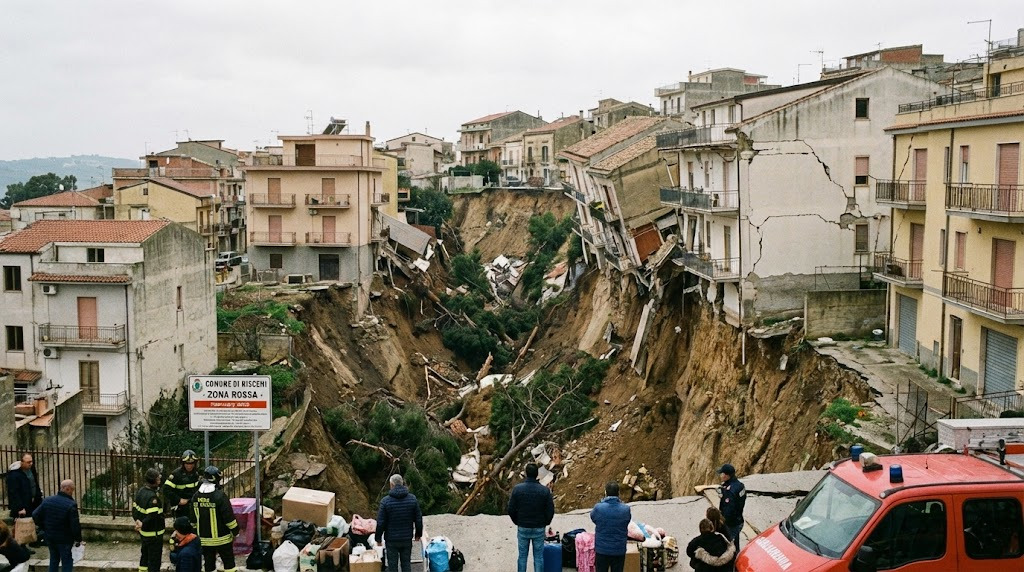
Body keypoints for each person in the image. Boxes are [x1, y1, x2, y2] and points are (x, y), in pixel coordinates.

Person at [507, 463, 554, 572]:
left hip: (523, 526)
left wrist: (517, 521)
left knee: (522, 557)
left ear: (526, 474)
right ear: (537, 474)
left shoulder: (517, 489)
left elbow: (510, 509)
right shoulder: (544, 491)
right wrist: (545, 522)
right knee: (539, 557)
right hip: (539, 527)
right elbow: (550, 510)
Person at [190, 466, 238, 572]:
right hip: (223, 539)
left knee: (209, 565)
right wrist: (235, 531)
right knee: (229, 564)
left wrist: (196, 533)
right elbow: (228, 518)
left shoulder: (195, 497)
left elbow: (193, 520)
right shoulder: (220, 496)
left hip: (204, 540)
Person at [374, 474, 423, 572]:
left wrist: (378, 538)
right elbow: (418, 519)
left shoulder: (385, 501)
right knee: (406, 564)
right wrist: (418, 534)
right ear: (402, 483)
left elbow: (381, 522)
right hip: (406, 538)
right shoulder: (412, 499)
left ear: (391, 485)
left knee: (392, 566)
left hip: (391, 540)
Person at [32, 480, 81, 572]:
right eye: (72, 490)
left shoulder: (47, 500)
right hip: (65, 538)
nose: (72, 492)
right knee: (67, 561)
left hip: (50, 536)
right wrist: (78, 539)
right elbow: (75, 525)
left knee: (54, 559)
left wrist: (43, 526)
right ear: (68, 489)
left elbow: (35, 514)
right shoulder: (71, 505)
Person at [590, 482, 631, 572]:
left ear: (606, 493)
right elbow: (627, 521)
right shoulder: (625, 509)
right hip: (619, 549)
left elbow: (593, 518)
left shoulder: (598, 508)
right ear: (618, 493)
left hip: (602, 549)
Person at [133, 468, 165, 572]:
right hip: (154, 535)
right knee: (154, 562)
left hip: (144, 534)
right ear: (154, 480)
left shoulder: (141, 491)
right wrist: (142, 524)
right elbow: (152, 516)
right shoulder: (152, 497)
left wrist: (137, 521)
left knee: (144, 558)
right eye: (158, 478)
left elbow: (135, 509)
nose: (159, 480)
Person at [717, 463, 746, 551]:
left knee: (729, 545)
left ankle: (734, 562)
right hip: (738, 519)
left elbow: (728, 510)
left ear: (726, 475)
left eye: (722, 473)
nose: (720, 475)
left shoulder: (729, 492)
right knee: (735, 543)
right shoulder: (740, 485)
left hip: (731, 524)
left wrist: (722, 522)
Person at [164, 450, 201, 518]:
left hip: (193, 506)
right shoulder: (176, 474)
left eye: (191, 463)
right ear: (183, 463)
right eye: (187, 463)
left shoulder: (196, 474)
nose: (189, 466)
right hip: (180, 507)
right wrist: (178, 500)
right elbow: (166, 489)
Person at [7, 454, 43, 520]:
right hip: (23, 504)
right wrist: (20, 508)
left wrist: (38, 494)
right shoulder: (14, 474)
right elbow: (14, 492)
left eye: (31, 461)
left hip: (34, 501)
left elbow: (35, 482)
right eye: (28, 462)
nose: (31, 464)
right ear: (22, 462)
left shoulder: (31, 469)